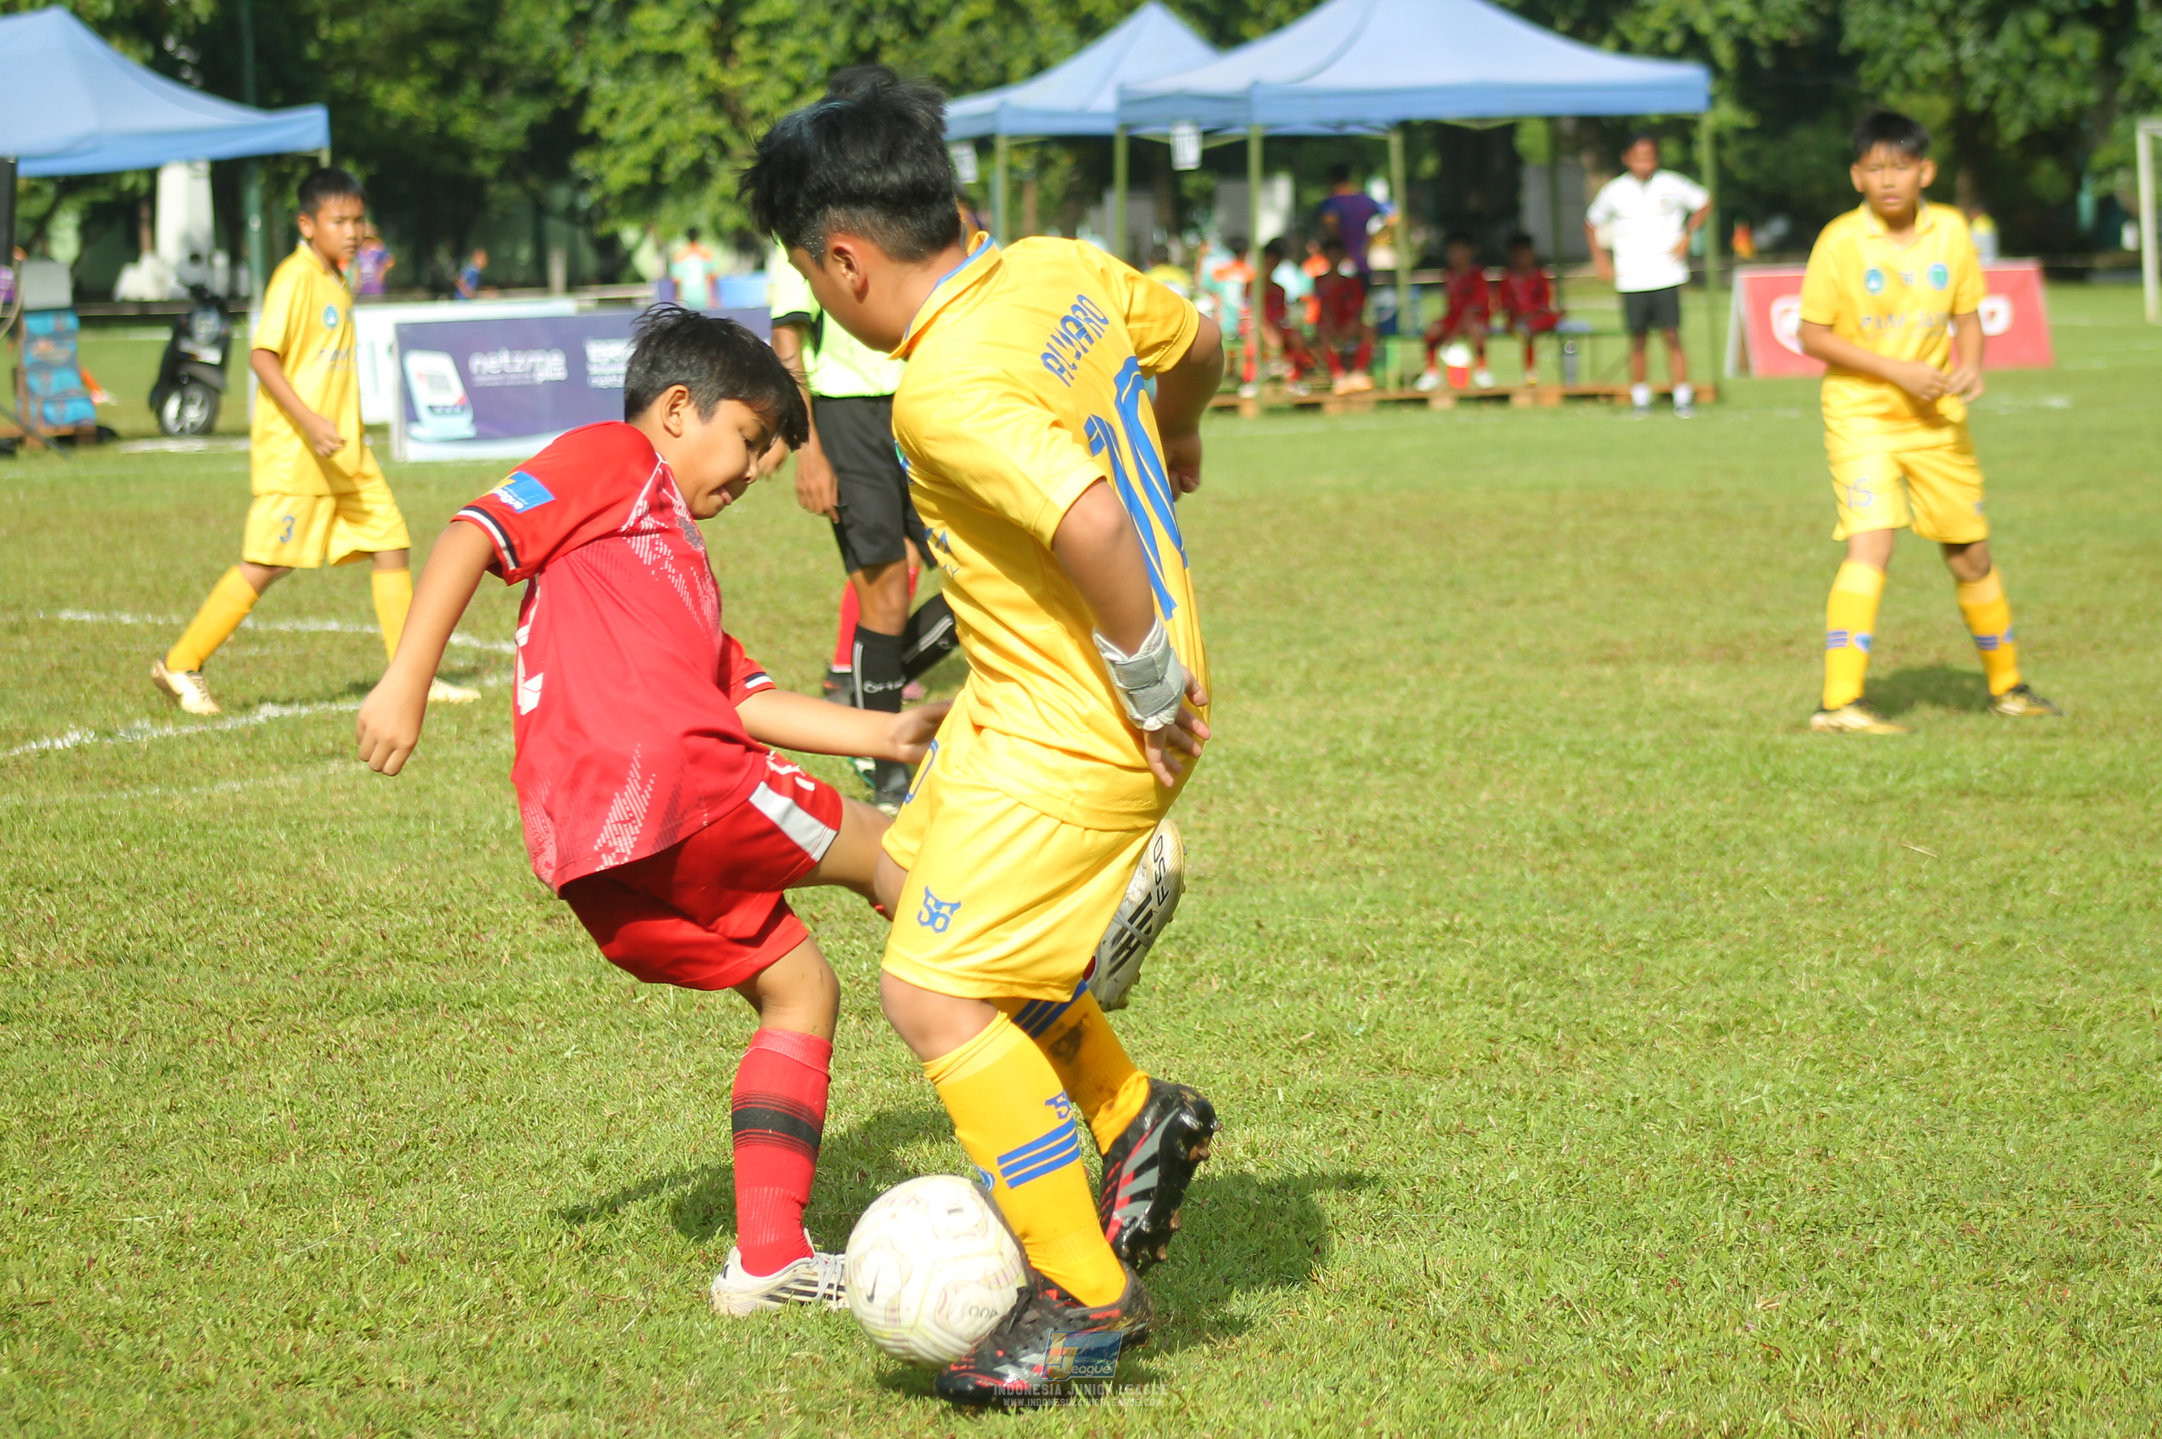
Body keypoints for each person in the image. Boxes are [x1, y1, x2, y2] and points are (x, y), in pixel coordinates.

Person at [742, 69, 1223, 1407]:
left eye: (801, 268)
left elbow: (1085, 524)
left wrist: (1141, 684)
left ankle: (1084, 1296)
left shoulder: (941, 387)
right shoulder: (1057, 268)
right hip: (1032, 698)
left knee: (930, 990)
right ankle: (1132, 1117)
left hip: (1087, 721)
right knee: (913, 879)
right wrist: (1176, 431)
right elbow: (1195, 342)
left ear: (839, 260)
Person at [352, 306, 953, 1312]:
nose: (758, 467)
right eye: (752, 437)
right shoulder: (613, 458)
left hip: (599, 844)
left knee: (800, 986)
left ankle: (766, 1256)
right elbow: (472, 531)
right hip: (675, 779)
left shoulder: (667, 550)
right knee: (900, 858)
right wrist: (404, 679)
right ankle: (1051, 1074)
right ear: (678, 409)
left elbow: (746, 696)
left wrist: (885, 733)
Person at [153, 169, 475, 718]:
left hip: (345, 452)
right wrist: (308, 421)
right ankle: (182, 664)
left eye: (358, 220)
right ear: (308, 224)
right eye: (339, 221)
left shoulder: (336, 280)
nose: (352, 232)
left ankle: (410, 676)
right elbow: (262, 356)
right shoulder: (295, 278)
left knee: (391, 544)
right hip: (300, 452)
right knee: (268, 564)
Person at [1795, 110, 2059, 734]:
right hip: (1862, 415)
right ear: (1857, 176)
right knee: (1873, 543)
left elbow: (1968, 313)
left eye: (1901, 167)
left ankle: (2008, 689)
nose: (1890, 180)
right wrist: (1896, 371)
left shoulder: (1950, 231)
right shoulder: (1839, 241)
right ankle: (1839, 704)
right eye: (1876, 168)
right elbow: (1810, 334)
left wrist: (1971, 365)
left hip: (1936, 419)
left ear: (1925, 171)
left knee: (1969, 555)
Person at [767, 218, 960, 810]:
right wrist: (810, 449)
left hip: (921, 407)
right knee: (883, 598)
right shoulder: (804, 231)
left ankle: (860, 698)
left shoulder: (897, 217)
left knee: (977, 575)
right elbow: (788, 342)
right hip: (846, 419)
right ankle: (886, 762)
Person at [1585, 132, 1710, 417]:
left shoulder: (1672, 183)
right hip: (1632, 275)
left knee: (1672, 334)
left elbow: (1704, 202)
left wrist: (1687, 236)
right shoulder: (1614, 191)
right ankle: (1640, 396)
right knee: (1638, 337)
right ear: (1626, 158)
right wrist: (1600, 261)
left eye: (1650, 157)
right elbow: (1591, 223)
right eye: (1639, 157)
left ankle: (1682, 395)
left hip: (1666, 273)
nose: (1645, 163)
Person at [1418, 232, 1492, 391]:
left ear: (1470, 252)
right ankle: (1431, 372)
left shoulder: (1477, 275)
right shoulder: (1449, 274)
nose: (1454, 255)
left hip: (1475, 318)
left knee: (1475, 329)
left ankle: (1482, 370)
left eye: (1458, 250)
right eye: (1451, 251)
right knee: (1433, 328)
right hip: (1454, 317)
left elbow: (1472, 309)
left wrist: (1452, 336)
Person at [1494, 232, 1562, 384]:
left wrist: (1530, 317)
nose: (1522, 259)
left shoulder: (1539, 277)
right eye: (1518, 255)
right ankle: (1530, 371)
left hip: (1536, 319)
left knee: (1553, 318)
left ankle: (1531, 371)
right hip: (1517, 321)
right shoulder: (1507, 279)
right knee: (1525, 329)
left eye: (1525, 254)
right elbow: (1504, 306)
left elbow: (1546, 304)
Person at [1312, 235, 1373, 394]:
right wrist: (1333, 329)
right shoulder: (1319, 281)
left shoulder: (1351, 283)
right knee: (1324, 334)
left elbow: (1358, 309)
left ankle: (1359, 373)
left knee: (1368, 331)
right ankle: (1338, 375)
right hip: (1328, 325)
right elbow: (1322, 309)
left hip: (1348, 324)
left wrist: (1349, 328)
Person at [1258, 237, 1315, 392]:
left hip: (1276, 328)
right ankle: (1254, 378)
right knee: (1270, 338)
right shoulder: (1252, 287)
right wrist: (1267, 330)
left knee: (1296, 337)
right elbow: (1251, 314)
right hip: (1255, 327)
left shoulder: (1279, 290)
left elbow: (1281, 316)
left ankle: (1294, 378)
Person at [1317, 162, 1382, 280]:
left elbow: (1331, 227)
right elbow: (1387, 217)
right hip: (1362, 263)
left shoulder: (1332, 203)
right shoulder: (1365, 201)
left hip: (1340, 266)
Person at [670, 227, 717, 310]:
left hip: (689, 298)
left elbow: (676, 280)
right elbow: (712, 277)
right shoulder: (705, 252)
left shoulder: (680, 254)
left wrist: (677, 299)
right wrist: (713, 297)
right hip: (700, 297)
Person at [352, 224, 394, 298]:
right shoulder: (358, 251)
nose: (366, 242)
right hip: (362, 287)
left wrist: (381, 273)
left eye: (369, 239)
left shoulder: (378, 249)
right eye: (364, 239)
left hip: (375, 286)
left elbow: (389, 261)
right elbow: (356, 266)